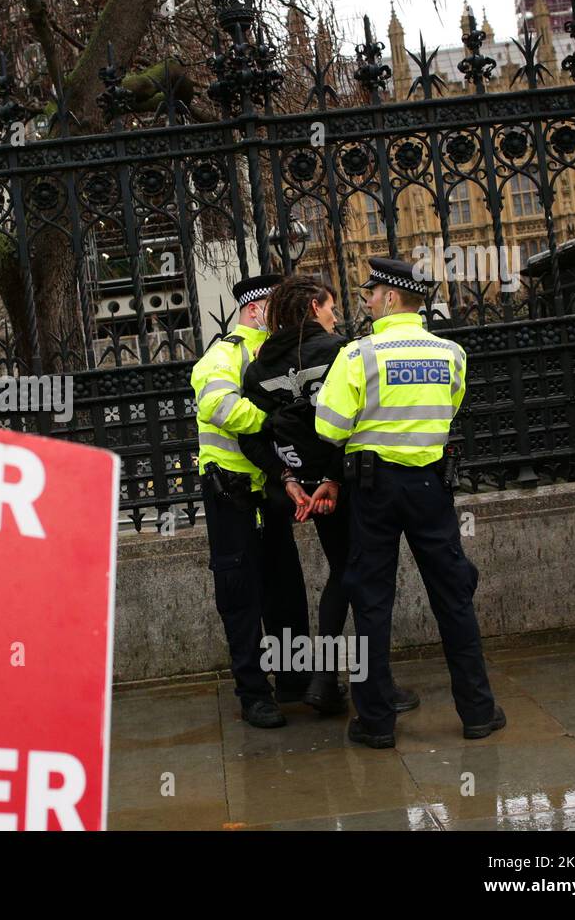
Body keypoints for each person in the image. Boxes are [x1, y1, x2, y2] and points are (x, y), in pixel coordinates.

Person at [314, 257, 505, 749]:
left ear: (393, 298)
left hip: (374, 491)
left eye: (372, 294)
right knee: (453, 597)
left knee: (371, 603)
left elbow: (328, 427)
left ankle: (376, 723)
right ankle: (478, 712)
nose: (368, 301)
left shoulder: (359, 355)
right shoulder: (451, 354)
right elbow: (450, 408)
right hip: (431, 488)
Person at [241, 275, 419, 717]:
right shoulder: (342, 350)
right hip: (348, 482)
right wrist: (334, 477)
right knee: (366, 579)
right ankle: (373, 686)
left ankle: (324, 679)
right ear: (311, 308)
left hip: (309, 490)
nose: (335, 316)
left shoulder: (259, 368)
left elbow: (250, 434)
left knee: (344, 570)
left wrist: (287, 478)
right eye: (329, 308)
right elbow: (356, 420)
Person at [191, 274, 311, 729]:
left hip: (272, 489)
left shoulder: (280, 354)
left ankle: (296, 678)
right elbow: (218, 406)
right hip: (233, 492)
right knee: (241, 594)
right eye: (278, 308)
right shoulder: (224, 354)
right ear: (257, 310)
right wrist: (274, 422)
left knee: (285, 586)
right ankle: (253, 693)